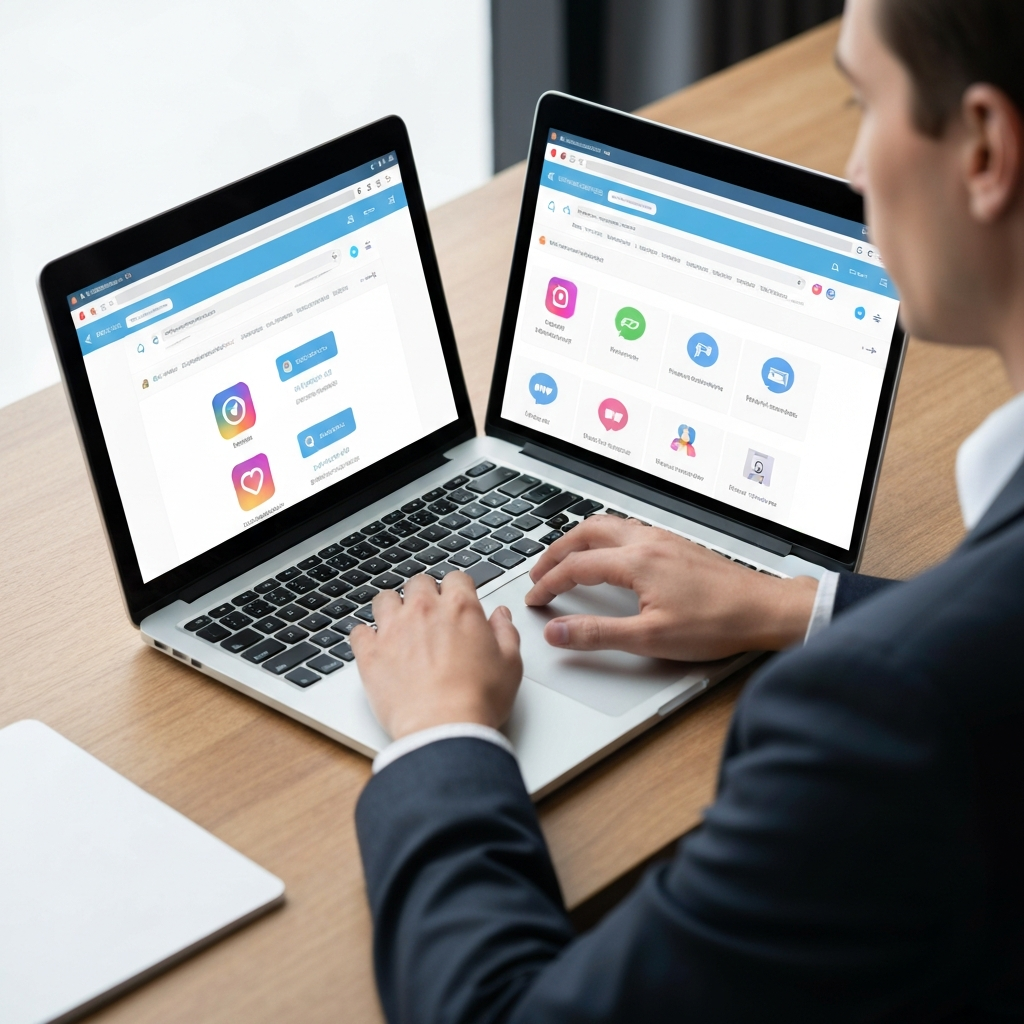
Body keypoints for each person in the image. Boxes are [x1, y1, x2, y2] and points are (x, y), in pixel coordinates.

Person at [351, 0, 1024, 1019]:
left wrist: (440, 732)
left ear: (982, 147)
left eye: (861, 99)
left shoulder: (876, 721)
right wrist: (795, 607)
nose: (850, 168)